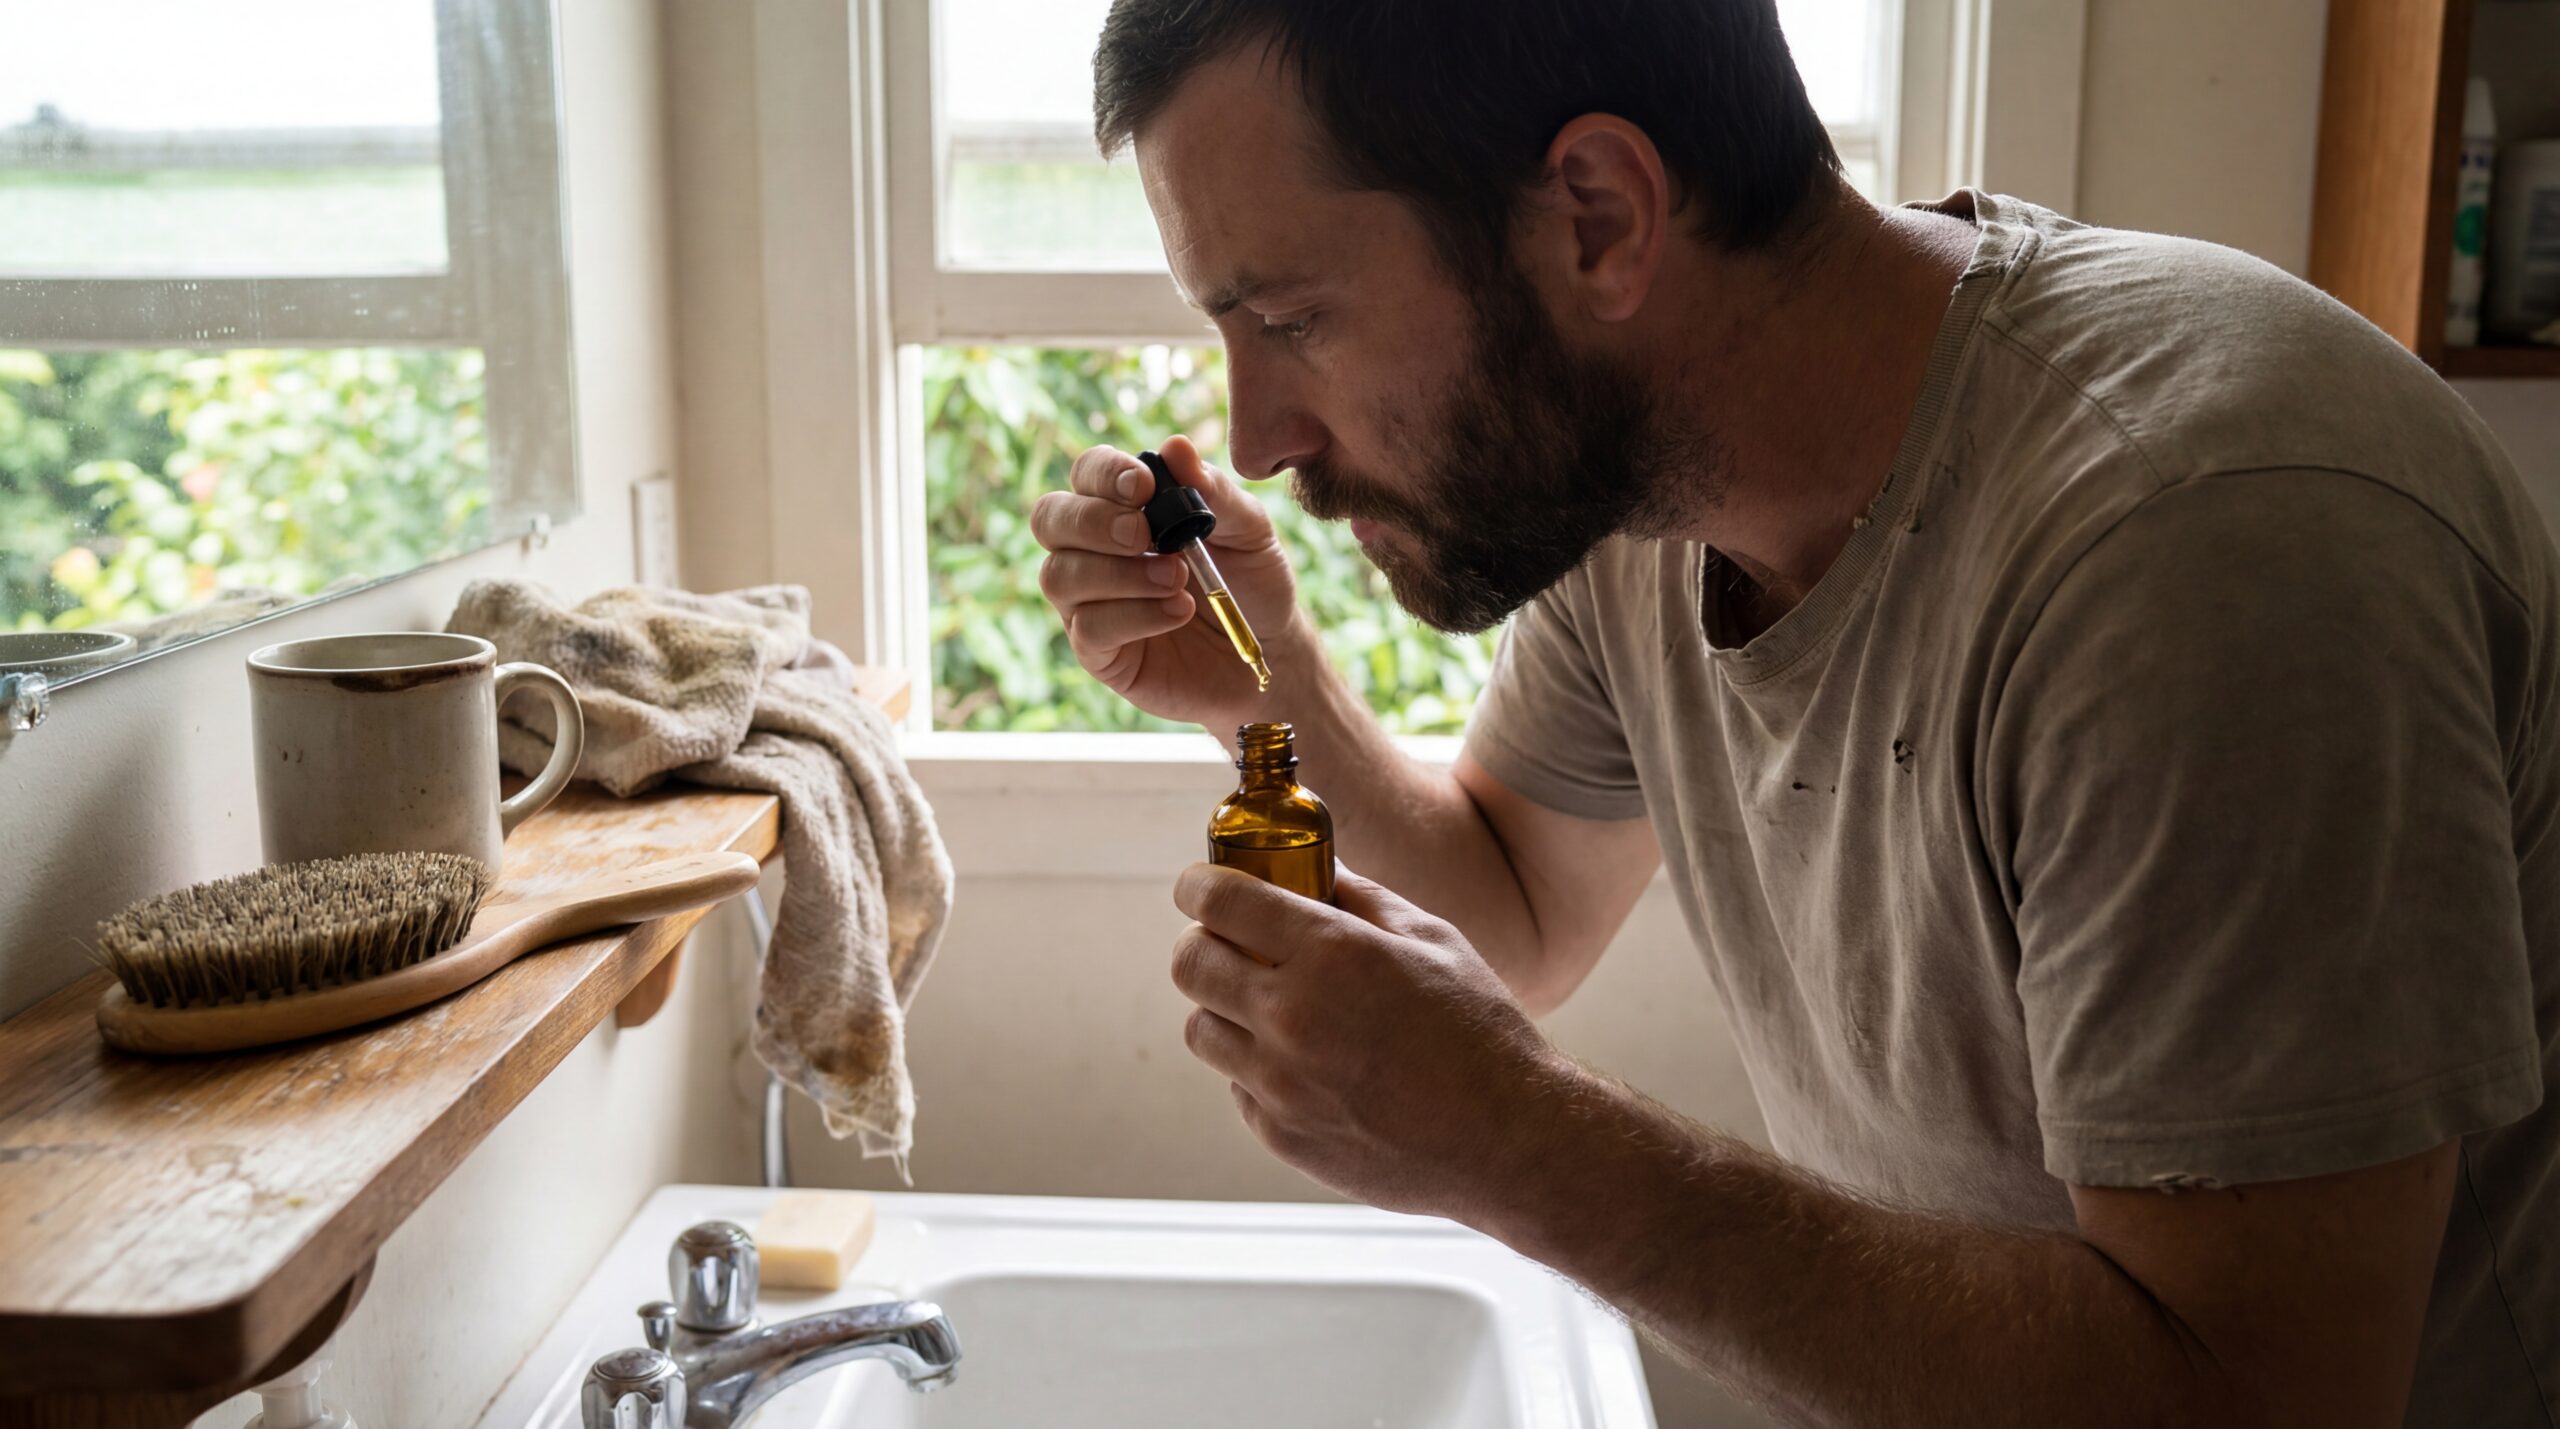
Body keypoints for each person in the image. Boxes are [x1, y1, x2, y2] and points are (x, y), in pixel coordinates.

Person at [1026, 2, 2558, 1423]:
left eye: (1290, 319)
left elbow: (2257, 1398)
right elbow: (1512, 910)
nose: (1255, 435)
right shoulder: (1640, 486)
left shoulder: (2202, 542)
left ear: (1599, 218)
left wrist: (1529, 1145)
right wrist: (1266, 684)